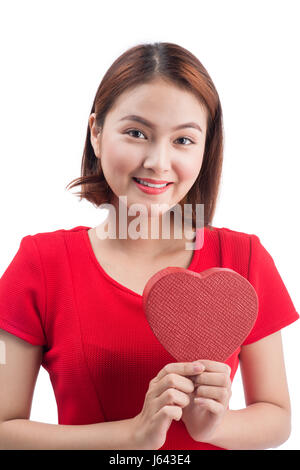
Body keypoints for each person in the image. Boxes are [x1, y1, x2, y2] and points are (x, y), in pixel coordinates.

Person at [0, 42, 298, 450]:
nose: (158, 161)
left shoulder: (245, 259)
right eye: (136, 133)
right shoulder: (39, 265)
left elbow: (277, 415)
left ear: (205, 149)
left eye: (183, 140)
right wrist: (131, 435)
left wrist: (212, 427)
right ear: (97, 133)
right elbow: (3, 427)